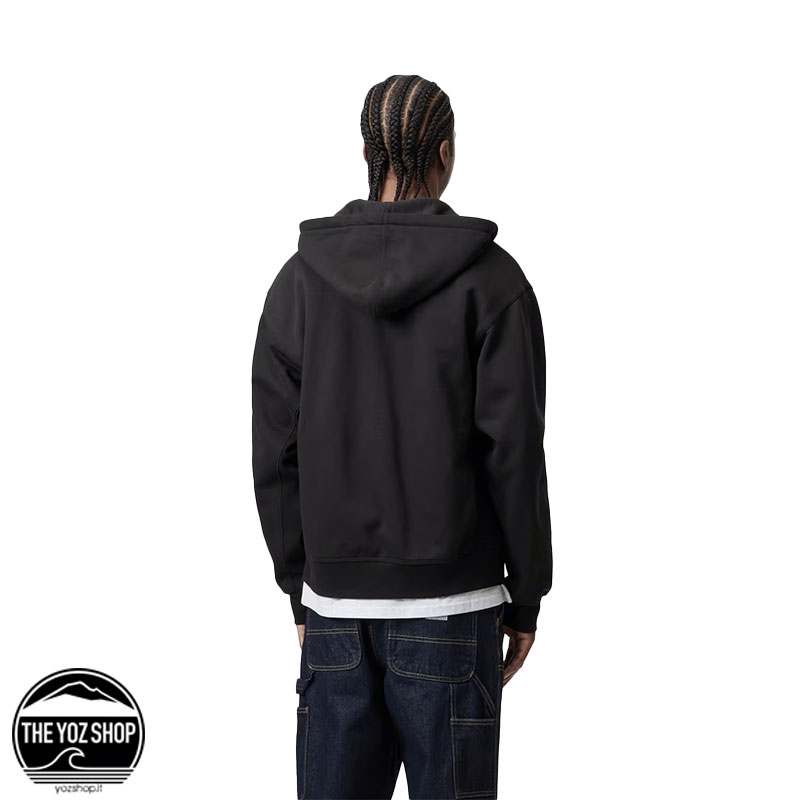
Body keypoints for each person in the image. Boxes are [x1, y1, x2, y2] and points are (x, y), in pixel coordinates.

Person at [252, 74, 552, 800]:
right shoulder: (495, 284)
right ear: (445, 152)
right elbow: (514, 452)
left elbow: (275, 452)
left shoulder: (296, 285)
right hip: (454, 610)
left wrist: (299, 586)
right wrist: (527, 595)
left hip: (334, 613)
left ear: (365, 153)